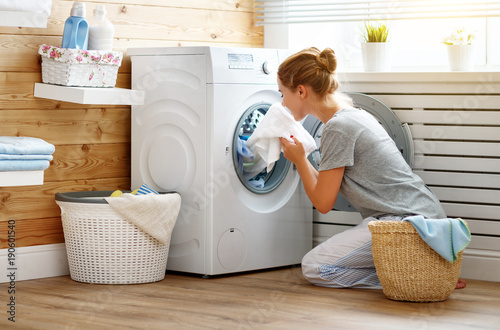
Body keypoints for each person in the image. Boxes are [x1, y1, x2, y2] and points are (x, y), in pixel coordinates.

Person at [277, 47, 466, 290]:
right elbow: (323, 187)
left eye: (283, 93)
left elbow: (323, 203)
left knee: (315, 267)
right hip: (422, 217)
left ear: (301, 91)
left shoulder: (338, 128)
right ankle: (422, 270)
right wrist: (301, 157)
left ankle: (419, 277)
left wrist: (301, 160)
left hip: (406, 223)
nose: (282, 102)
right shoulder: (353, 115)